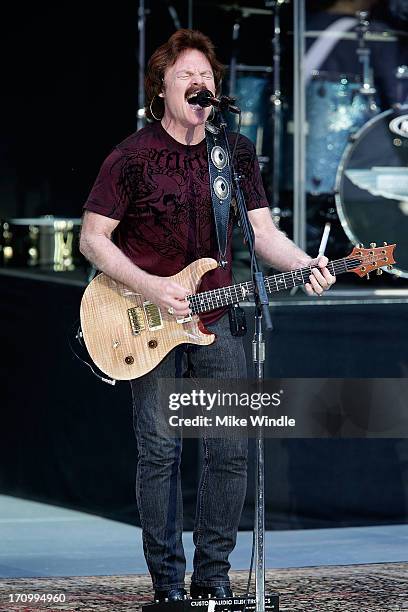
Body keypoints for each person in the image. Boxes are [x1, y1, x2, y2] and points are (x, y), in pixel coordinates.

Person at [79, 29, 335, 602]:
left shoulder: (233, 152)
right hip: (147, 318)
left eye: (207, 77)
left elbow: (263, 232)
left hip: (216, 315)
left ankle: (212, 581)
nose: (200, 85)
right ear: (161, 89)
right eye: (186, 76)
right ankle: (167, 585)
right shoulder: (132, 156)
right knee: (160, 451)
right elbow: (93, 240)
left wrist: (307, 262)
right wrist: (150, 285)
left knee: (228, 448)